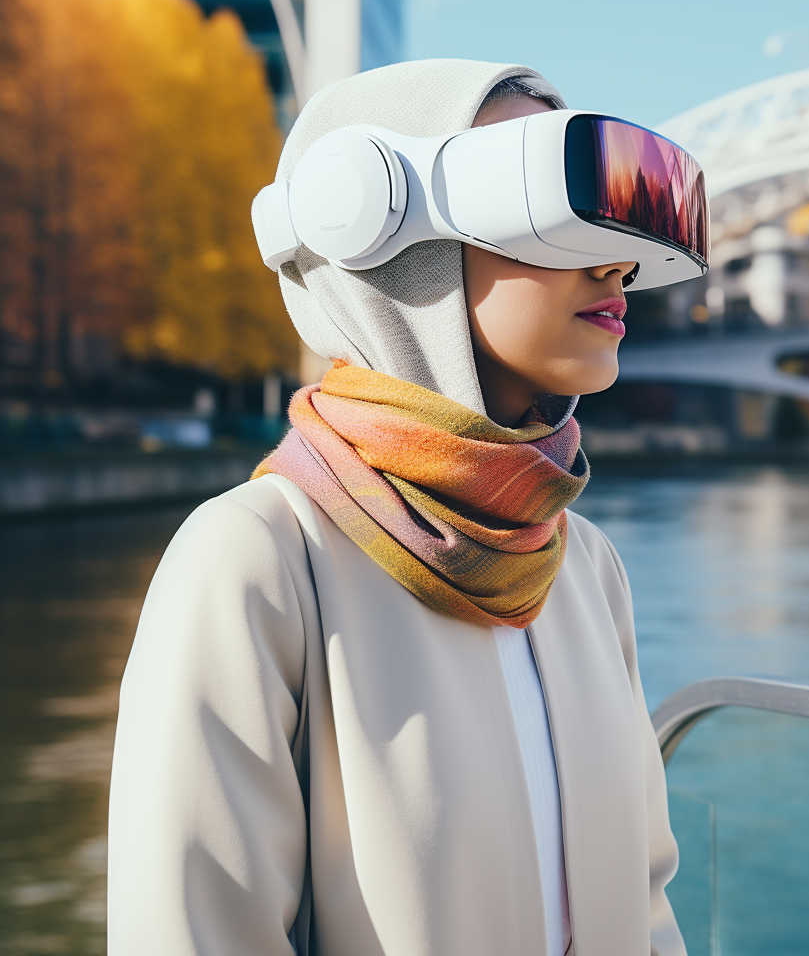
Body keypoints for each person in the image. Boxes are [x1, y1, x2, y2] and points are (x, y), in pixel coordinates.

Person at [107, 59, 686, 956]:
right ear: (373, 227)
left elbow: (646, 909)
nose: (614, 260)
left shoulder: (585, 566)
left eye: (611, 223)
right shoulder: (256, 557)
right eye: (544, 209)